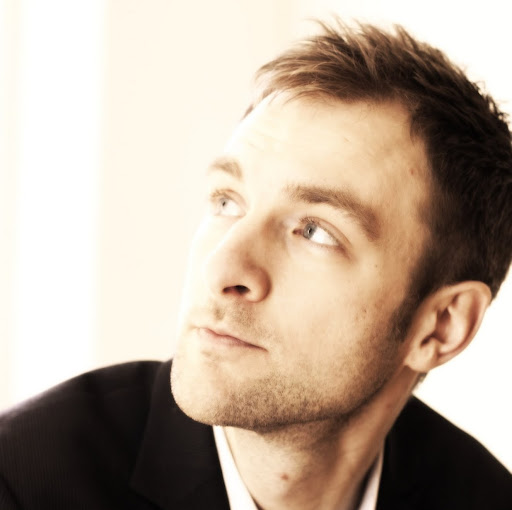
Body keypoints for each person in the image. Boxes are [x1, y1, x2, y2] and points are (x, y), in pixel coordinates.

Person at [1, 19, 511, 510]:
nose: (221, 269)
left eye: (315, 231)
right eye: (228, 201)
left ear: (441, 325)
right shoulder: (25, 483)